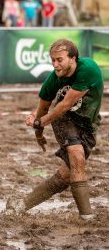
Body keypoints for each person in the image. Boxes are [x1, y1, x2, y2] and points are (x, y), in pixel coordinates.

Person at [6, 39, 103, 220]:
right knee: (77, 155)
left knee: (67, 175)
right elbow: (45, 110)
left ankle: (21, 205)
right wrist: (38, 133)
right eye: (52, 60)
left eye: (60, 60)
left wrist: (39, 122)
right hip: (63, 119)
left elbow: (67, 103)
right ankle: (87, 217)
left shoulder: (87, 70)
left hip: (88, 124)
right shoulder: (52, 81)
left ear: (73, 58)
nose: (55, 65)